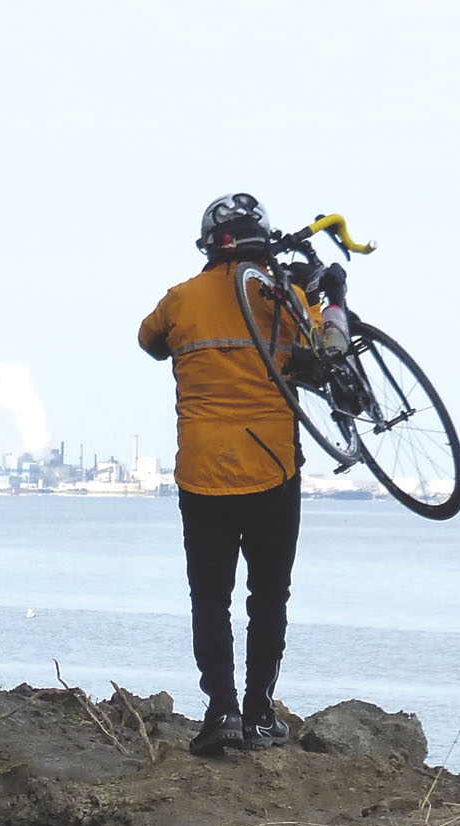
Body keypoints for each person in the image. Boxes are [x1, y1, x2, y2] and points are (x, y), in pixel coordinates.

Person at [137, 193, 341, 756]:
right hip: (273, 468)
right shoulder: (285, 298)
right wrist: (325, 298)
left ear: (208, 244)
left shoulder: (180, 300)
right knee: (269, 594)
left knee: (210, 597)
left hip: (202, 473)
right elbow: (326, 356)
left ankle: (220, 710)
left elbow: (148, 342)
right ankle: (259, 712)